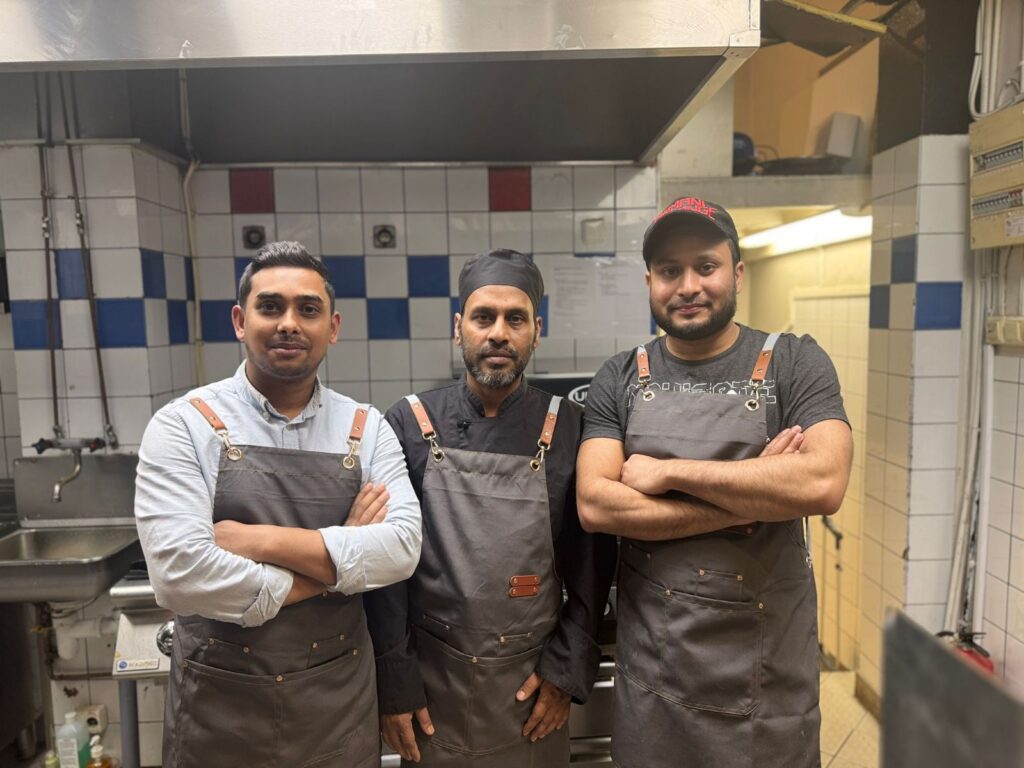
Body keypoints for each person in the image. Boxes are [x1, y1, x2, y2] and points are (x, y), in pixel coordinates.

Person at [577, 198, 853, 768]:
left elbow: (823, 481)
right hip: (655, 684)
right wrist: (747, 502)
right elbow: (597, 504)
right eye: (669, 270)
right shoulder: (619, 376)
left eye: (706, 266)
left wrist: (669, 472)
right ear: (650, 282)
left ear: (738, 273)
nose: (688, 286)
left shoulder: (794, 363)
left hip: (766, 688)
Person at [134, 241, 422, 768]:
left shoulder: (366, 427)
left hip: (338, 707)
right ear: (240, 321)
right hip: (219, 712)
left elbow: (401, 549)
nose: (289, 323)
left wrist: (258, 540)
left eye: (308, 309)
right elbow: (178, 575)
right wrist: (335, 569)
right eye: (270, 307)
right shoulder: (184, 424)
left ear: (332, 327)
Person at [364, 249, 617, 767]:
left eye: (515, 319)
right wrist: (395, 680)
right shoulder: (408, 423)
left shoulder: (570, 426)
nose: (498, 333)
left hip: (531, 688)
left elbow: (592, 565)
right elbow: (385, 572)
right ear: (458, 328)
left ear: (537, 331)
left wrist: (566, 670)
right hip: (430, 690)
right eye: (484, 318)